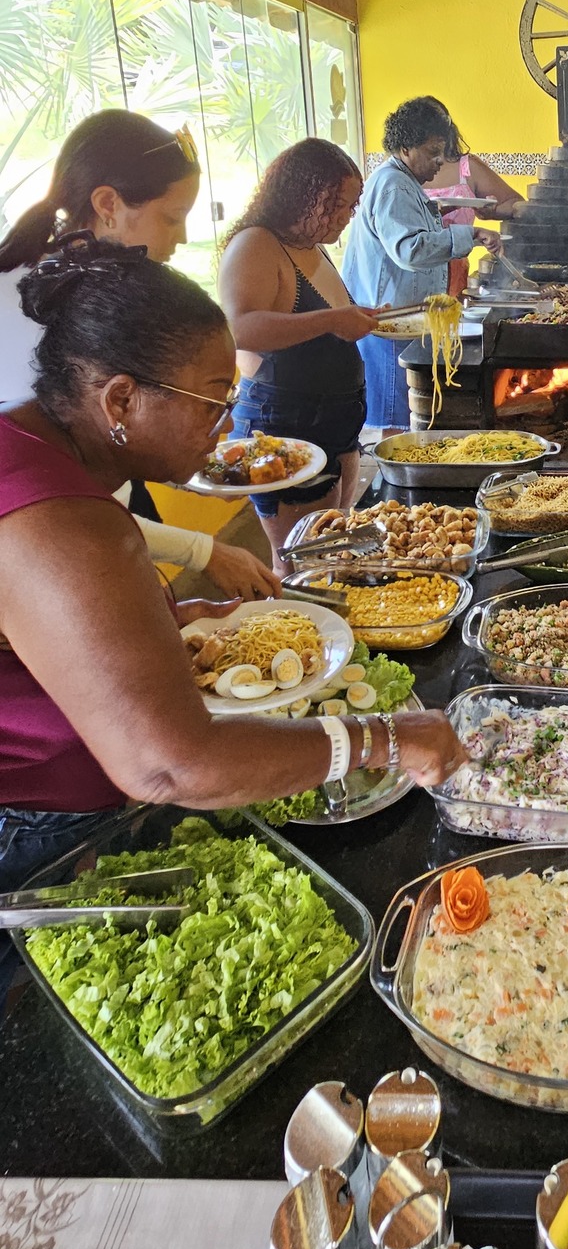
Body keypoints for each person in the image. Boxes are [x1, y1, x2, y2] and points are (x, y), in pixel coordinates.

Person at [0, 235, 464, 895]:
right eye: (215, 401)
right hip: (37, 829)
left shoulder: (23, 444)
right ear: (121, 400)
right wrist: (384, 737)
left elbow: (41, 629)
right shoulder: (65, 522)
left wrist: (166, 620)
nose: (228, 425)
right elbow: (167, 765)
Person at [0, 109, 278, 601]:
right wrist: (202, 550)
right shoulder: (37, 314)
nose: (182, 237)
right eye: (171, 217)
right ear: (108, 203)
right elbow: (51, 494)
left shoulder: (87, 292)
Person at [219, 138, 382, 565]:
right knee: (299, 561)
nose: (347, 216)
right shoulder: (256, 244)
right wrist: (331, 320)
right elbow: (239, 328)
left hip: (337, 422)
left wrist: (358, 318)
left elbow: (329, 322)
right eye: (337, 205)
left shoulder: (310, 246)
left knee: (332, 551)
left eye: (351, 206)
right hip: (286, 420)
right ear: (302, 196)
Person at [343, 97, 501, 428]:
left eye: (442, 152)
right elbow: (410, 250)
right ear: (405, 147)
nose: (440, 161)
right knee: (395, 424)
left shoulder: (403, 181)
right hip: (390, 324)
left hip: (399, 321)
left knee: (405, 416)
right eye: (432, 152)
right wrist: (470, 234)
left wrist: (436, 213)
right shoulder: (394, 185)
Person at [422, 103, 526, 300]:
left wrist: (491, 211)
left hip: (455, 273)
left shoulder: (467, 167)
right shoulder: (402, 175)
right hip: (410, 274)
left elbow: (517, 203)